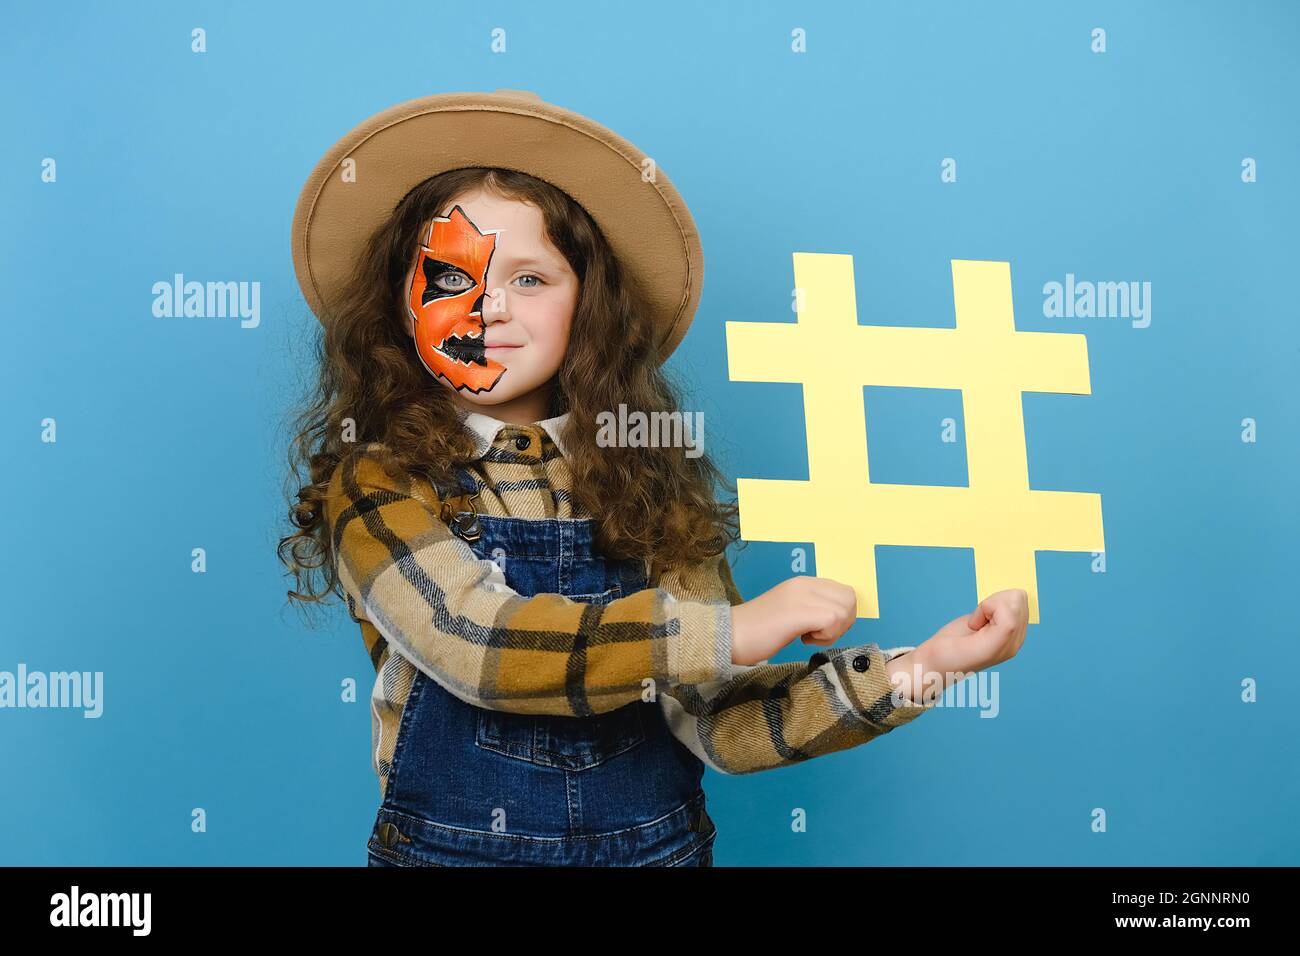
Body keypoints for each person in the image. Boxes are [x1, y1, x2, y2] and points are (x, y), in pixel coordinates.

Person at [278, 90, 1029, 866]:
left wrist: (925, 668)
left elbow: (724, 722)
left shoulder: (646, 480)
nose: (488, 309)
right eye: (449, 280)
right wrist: (729, 631)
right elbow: (475, 641)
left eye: (530, 280)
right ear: (402, 309)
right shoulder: (380, 482)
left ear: (589, 308)